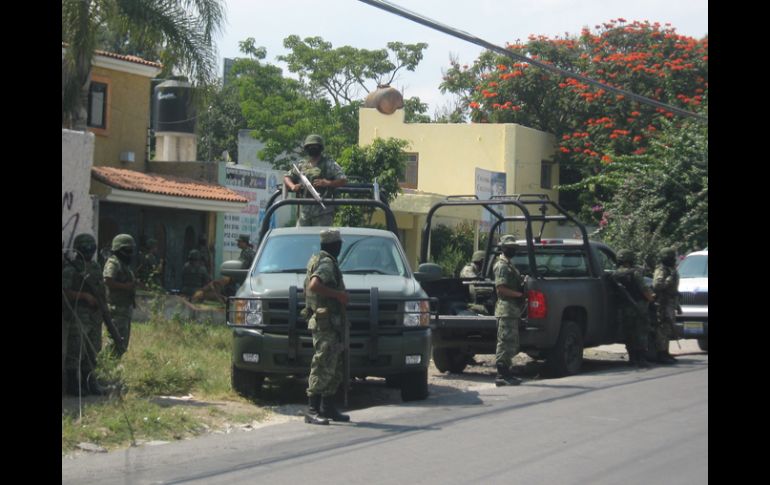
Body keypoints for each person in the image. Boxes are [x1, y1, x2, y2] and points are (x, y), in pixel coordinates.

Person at [303, 229, 350, 425]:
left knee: (334, 366)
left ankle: (327, 407)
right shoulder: (326, 262)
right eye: (339, 244)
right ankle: (312, 409)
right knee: (322, 364)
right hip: (326, 323)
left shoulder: (317, 258)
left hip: (331, 323)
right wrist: (338, 295)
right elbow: (314, 285)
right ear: (335, 245)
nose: (340, 247)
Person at [62, 233, 107, 395]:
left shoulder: (95, 267)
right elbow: (65, 292)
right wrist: (84, 296)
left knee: (92, 351)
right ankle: (74, 386)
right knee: (75, 351)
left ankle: (90, 383)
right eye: (85, 247)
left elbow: (101, 288)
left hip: (95, 316)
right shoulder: (70, 268)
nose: (89, 250)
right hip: (78, 315)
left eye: (91, 247)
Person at [283, 134, 347, 226]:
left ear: (320, 148)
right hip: (304, 211)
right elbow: (287, 177)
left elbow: (343, 180)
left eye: (315, 146)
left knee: (322, 238)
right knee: (301, 238)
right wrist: (293, 186)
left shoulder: (329, 164)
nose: (312, 148)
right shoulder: (302, 165)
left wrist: (327, 183)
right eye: (310, 146)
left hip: (323, 211)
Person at [611, 249, 655, 368]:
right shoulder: (634, 273)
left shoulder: (615, 274)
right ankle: (641, 359)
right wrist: (651, 299)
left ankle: (632, 358)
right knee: (641, 332)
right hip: (638, 306)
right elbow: (644, 290)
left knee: (628, 333)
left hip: (624, 308)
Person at [492, 235, 525, 386]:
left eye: (514, 247)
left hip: (511, 310)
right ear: (503, 248)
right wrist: (520, 294)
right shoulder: (502, 266)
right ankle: (502, 374)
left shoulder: (509, 265)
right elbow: (501, 288)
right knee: (505, 342)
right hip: (506, 309)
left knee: (510, 342)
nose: (512, 250)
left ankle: (506, 372)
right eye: (509, 247)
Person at [103, 234, 137, 353]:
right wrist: (125, 287)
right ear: (119, 250)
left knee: (122, 344)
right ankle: (105, 366)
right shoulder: (114, 262)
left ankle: (111, 367)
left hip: (124, 308)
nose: (130, 253)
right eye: (128, 250)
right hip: (116, 308)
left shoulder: (124, 265)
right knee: (115, 342)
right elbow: (108, 280)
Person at [652, 247, 680, 364]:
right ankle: (661, 354)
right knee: (663, 329)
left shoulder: (670, 269)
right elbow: (657, 285)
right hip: (663, 303)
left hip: (670, 302)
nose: (674, 260)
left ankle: (666, 353)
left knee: (668, 329)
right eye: (672, 258)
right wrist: (669, 279)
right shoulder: (662, 270)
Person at [461, 250, 494, 315]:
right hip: (469, 302)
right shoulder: (468, 269)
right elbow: (476, 282)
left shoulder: (480, 271)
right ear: (482, 261)